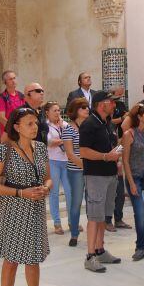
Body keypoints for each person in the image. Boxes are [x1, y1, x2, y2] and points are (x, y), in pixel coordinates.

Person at [0, 107, 56, 286]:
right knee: (12, 260)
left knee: (33, 258)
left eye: (35, 123)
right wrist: (21, 193)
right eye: (29, 124)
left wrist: (45, 188)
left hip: (35, 207)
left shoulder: (41, 148)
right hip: (14, 207)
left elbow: (48, 179)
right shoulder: (4, 150)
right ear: (16, 127)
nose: (34, 127)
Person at [79, 91, 123, 272]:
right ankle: (90, 256)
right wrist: (106, 156)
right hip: (96, 176)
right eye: (110, 101)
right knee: (94, 216)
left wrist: (116, 158)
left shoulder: (107, 123)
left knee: (105, 216)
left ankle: (100, 249)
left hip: (110, 174)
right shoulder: (89, 124)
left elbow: (110, 146)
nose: (114, 104)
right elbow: (83, 151)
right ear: (100, 104)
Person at [121, 102, 144, 261]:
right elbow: (125, 161)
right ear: (139, 116)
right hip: (135, 177)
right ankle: (141, 246)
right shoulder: (129, 134)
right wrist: (131, 182)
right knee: (140, 213)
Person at [63, 97, 89, 246]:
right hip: (76, 171)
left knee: (92, 202)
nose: (86, 109)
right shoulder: (69, 129)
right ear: (75, 111)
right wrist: (86, 166)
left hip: (90, 170)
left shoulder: (89, 126)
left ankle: (94, 234)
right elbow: (70, 154)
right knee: (76, 203)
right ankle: (74, 234)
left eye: (87, 107)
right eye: (83, 107)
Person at [106, 85, 131, 231]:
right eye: (112, 103)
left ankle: (119, 218)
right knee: (110, 195)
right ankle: (107, 220)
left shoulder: (111, 126)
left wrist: (119, 157)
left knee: (120, 193)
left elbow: (117, 144)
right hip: (105, 165)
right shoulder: (98, 125)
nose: (115, 106)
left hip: (115, 162)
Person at [45, 101, 70, 235]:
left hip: (66, 161)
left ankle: (72, 220)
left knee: (69, 192)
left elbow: (73, 139)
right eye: (54, 110)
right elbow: (49, 142)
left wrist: (63, 130)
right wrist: (64, 140)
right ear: (47, 112)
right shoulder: (46, 126)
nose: (57, 113)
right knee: (54, 192)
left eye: (59, 110)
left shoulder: (64, 125)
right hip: (53, 161)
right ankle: (57, 222)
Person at [0, 70, 25, 138]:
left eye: (14, 78)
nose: (13, 81)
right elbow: (2, 118)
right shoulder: (2, 97)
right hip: (8, 134)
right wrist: (13, 129)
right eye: (10, 79)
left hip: (21, 134)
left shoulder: (21, 96)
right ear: (4, 82)